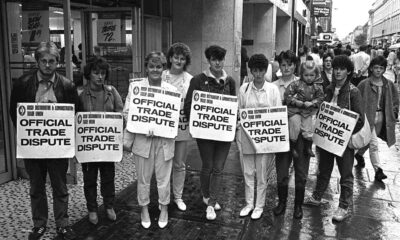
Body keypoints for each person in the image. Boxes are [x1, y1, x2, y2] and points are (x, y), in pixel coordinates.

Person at [9, 41, 79, 240]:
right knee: (36, 187)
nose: (48, 65)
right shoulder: (22, 84)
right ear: (37, 62)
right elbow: (15, 113)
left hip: (57, 149)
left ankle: (62, 224)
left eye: (52, 61)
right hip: (33, 149)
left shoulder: (67, 86)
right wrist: (30, 138)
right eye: (44, 61)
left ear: (58, 62)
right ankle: (39, 224)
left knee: (60, 187)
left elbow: (75, 115)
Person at [304, 55, 365, 222]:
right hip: (326, 139)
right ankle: (317, 197)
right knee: (323, 169)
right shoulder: (329, 89)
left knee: (346, 174)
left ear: (349, 71)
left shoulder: (354, 91)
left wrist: (342, 125)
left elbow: (360, 120)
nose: (338, 71)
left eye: (342, 69)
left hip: (342, 142)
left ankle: (343, 206)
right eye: (336, 68)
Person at [123, 52, 177, 229]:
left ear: (164, 68)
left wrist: (160, 126)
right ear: (146, 68)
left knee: (163, 178)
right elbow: (126, 112)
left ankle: (164, 208)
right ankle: (144, 208)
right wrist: (143, 125)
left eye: (159, 66)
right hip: (142, 140)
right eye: (152, 66)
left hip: (164, 141)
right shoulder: (136, 88)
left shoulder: (172, 91)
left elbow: (173, 117)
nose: (155, 70)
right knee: (143, 178)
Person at [184, 45, 236, 221]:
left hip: (223, 134)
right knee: (208, 166)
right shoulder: (198, 80)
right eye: (214, 59)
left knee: (219, 168)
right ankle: (206, 195)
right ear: (209, 60)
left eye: (220, 59)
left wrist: (232, 124)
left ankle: (211, 203)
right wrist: (198, 122)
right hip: (205, 133)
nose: (218, 63)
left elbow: (234, 107)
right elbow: (188, 105)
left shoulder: (230, 81)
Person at [78, 57, 123, 225]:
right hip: (89, 147)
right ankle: (92, 208)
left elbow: (121, 113)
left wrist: (117, 123)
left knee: (108, 177)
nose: (99, 77)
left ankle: (109, 205)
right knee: (89, 179)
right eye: (96, 73)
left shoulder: (112, 92)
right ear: (89, 74)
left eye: (103, 73)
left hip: (107, 146)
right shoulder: (81, 94)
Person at [236, 54, 281, 219]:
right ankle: (249, 203)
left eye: (261, 70)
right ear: (251, 71)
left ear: (265, 70)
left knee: (262, 172)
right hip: (246, 136)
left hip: (265, 138)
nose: (258, 74)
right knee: (247, 171)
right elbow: (239, 111)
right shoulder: (244, 89)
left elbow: (277, 114)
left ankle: (259, 205)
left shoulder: (273, 90)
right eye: (255, 70)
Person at [273, 50, 309, 219]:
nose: (286, 68)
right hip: (280, 135)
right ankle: (282, 202)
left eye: (290, 64)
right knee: (281, 172)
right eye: (283, 64)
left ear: (295, 65)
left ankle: (298, 206)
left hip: (300, 135)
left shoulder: (304, 84)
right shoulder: (273, 86)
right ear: (279, 65)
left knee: (301, 172)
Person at [354, 56, 399, 180]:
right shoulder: (364, 83)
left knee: (369, 141)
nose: (378, 70)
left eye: (381, 68)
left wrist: (394, 113)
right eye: (376, 68)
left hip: (382, 117)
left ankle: (359, 155)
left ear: (384, 69)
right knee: (374, 143)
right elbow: (356, 99)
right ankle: (378, 170)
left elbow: (395, 100)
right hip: (368, 117)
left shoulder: (388, 84)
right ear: (371, 69)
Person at [162, 42, 193, 211]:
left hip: (182, 127)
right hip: (163, 128)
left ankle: (178, 197)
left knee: (179, 164)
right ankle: (163, 198)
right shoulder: (161, 75)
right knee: (164, 164)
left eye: (182, 58)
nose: (179, 61)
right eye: (176, 57)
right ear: (170, 58)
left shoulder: (190, 79)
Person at [284, 60, 324, 159]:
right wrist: (296, 102)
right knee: (295, 127)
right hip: (295, 110)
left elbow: (321, 98)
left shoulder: (317, 86)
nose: (309, 78)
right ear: (301, 74)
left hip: (307, 111)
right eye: (306, 75)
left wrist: (312, 103)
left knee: (308, 130)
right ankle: (292, 148)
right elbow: (287, 95)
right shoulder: (296, 84)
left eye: (312, 75)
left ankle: (308, 147)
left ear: (316, 75)